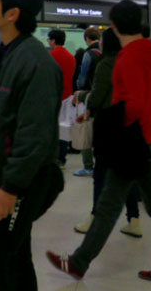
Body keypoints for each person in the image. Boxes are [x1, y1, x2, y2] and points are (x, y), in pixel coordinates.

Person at [47, 0, 151, 286]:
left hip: (131, 141)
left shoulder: (126, 57)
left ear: (116, 26)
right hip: (150, 138)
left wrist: (112, 125)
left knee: (109, 205)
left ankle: (79, 262)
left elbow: (132, 104)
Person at [0, 0, 63, 290]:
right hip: (5, 175)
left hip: (23, 182)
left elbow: (34, 133)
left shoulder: (35, 62)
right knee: (17, 257)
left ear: (12, 14)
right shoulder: (8, 55)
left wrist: (11, 187)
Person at [73, 27, 142, 238]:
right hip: (129, 123)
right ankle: (134, 220)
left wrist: (82, 97)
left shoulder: (106, 64)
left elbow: (97, 96)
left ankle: (95, 217)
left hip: (109, 124)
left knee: (101, 173)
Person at [73, 26, 101, 175]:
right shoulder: (104, 52)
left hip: (88, 95)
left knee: (86, 129)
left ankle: (88, 166)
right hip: (103, 96)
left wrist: (79, 89)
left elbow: (82, 78)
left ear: (87, 39)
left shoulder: (88, 54)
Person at [47, 29, 76, 169]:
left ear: (53, 40)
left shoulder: (50, 56)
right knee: (64, 128)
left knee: (52, 128)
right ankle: (62, 158)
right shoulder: (71, 57)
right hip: (67, 96)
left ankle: (52, 157)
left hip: (53, 96)